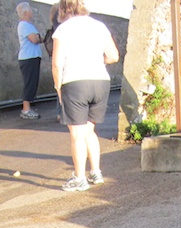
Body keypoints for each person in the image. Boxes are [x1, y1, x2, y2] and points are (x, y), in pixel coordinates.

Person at [51, 0, 119, 191]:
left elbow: (57, 64)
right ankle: (96, 172)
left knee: (76, 133)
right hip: (100, 81)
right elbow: (114, 56)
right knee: (89, 130)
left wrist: (58, 85)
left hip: (75, 82)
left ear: (63, 10)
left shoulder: (63, 30)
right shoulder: (99, 26)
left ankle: (80, 178)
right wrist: (97, 61)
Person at [16, 2, 42, 120]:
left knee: (32, 83)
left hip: (32, 57)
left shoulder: (28, 25)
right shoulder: (24, 25)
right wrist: (38, 37)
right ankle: (26, 110)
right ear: (25, 12)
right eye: (30, 10)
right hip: (28, 58)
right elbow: (35, 39)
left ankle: (28, 108)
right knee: (29, 83)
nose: (32, 11)